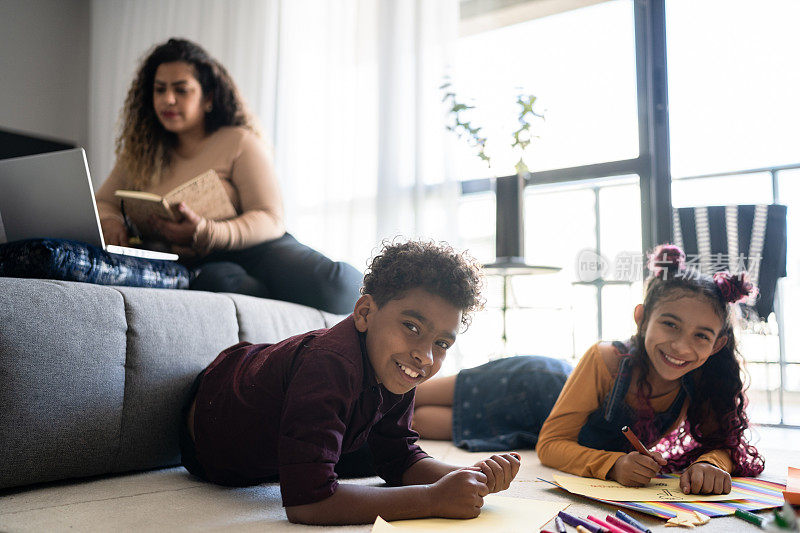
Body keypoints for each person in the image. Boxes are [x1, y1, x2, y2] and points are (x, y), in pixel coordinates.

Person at [179, 240, 522, 525]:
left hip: (289, 406)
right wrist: (433, 499)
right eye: (412, 327)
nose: (425, 356)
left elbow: (400, 460)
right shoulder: (330, 364)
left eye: (441, 344)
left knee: (372, 457)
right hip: (210, 430)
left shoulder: (399, 368)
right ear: (364, 313)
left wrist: (469, 477)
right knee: (350, 465)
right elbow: (308, 504)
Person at [415, 244, 764, 495]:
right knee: (407, 394)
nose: (682, 347)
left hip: (529, 427)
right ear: (642, 318)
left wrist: (712, 465)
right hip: (530, 384)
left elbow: (723, 444)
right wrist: (613, 465)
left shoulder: (702, 380)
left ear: (717, 344)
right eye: (670, 325)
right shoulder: (606, 358)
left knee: (411, 423)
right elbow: (553, 444)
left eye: (701, 336)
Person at [95, 38, 361, 314]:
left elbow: (270, 217)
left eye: (181, 90)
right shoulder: (140, 154)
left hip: (260, 248)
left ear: (208, 97)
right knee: (222, 283)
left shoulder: (239, 142)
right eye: (159, 90)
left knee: (339, 285)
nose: (167, 99)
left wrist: (207, 232)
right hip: (203, 262)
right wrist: (111, 220)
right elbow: (103, 201)